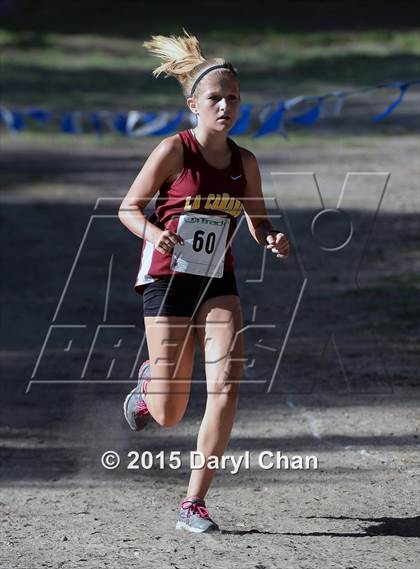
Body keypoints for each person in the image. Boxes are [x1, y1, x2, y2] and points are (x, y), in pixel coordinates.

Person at [118, 30, 289, 533]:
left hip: (218, 280)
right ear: (194, 103)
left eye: (234, 99)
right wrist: (155, 234)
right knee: (170, 413)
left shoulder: (245, 163)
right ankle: (150, 385)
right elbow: (128, 208)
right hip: (167, 281)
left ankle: (193, 503)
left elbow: (258, 222)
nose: (226, 107)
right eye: (216, 98)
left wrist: (271, 239)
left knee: (227, 387)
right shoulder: (175, 150)